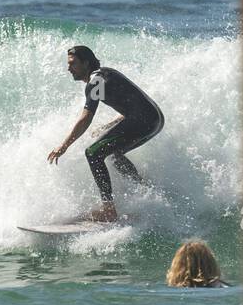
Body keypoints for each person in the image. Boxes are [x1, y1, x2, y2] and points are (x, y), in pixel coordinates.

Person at [47, 45, 164, 222]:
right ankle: (145, 190)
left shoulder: (96, 81)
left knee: (93, 153)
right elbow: (132, 102)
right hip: (155, 119)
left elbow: (86, 118)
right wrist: (110, 124)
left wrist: (63, 146)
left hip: (144, 121)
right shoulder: (105, 74)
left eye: (73, 64)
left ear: (86, 63)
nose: (69, 68)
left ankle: (109, 210)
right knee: (114, 154)